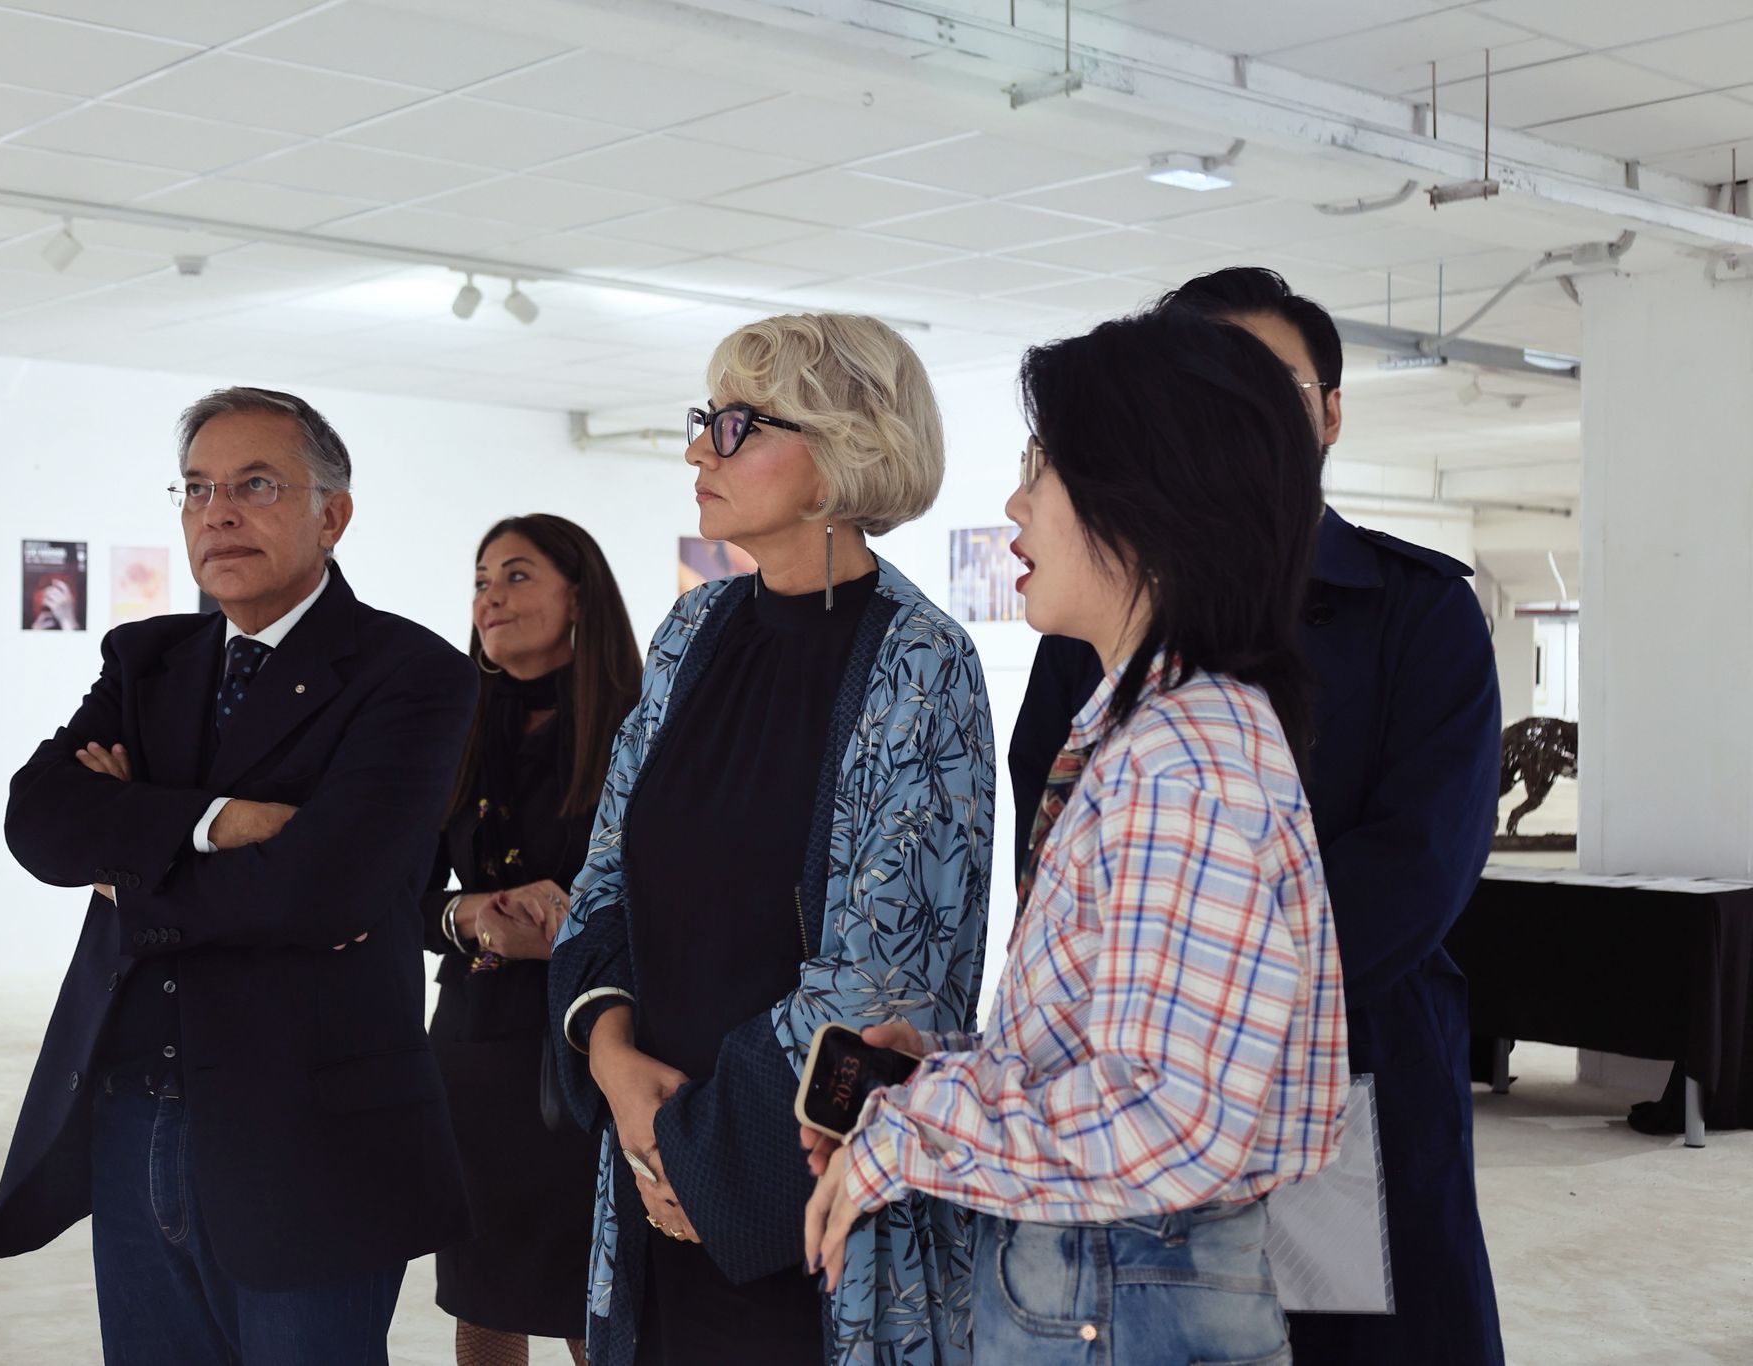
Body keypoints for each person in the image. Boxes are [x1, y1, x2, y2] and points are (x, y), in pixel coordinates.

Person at [804, 307, 1350, 1365]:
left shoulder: (1179, 761)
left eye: (1041, 469)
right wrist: (947, 1071)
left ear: (1144, 500)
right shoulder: (1161, 732)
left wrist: (911, 1132)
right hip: (1116, 1280)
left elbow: (1164, 1119)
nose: (1015, 505)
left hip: (1120, 1287)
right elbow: (1119, 1055)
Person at [1007, 268, 1506, 1366]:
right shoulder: (1093, 625)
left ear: (1328, 414)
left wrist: (1211, 1015)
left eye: (1264, 386)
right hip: (1137, 1077)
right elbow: (1049, 834)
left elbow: (1417, 868)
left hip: (1348, 1065)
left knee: (1351, 1341)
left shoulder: (1414, 610)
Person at [0, 387, 477, 1366]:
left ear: (331, 515)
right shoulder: (147, 659)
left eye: (256, 485)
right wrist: (218, 822)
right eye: (198, 488)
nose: (218, 512)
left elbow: (324, 893)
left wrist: (129, 862)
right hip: (133, 1112)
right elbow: (37, 822)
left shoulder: (411, 673)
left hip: (307, 1133)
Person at [548, 314, 995, 1366]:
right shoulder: (689, 633)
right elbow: (603, 880)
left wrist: (689, 1153)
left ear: (843, 449)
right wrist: (613, 1063)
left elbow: (885, 984)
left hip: (798, 1203)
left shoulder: (921, 662)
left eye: (736, 425)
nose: (697, 451)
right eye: (704, 419)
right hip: (652, 1178)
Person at [423, 515, 642, 1366]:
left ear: (578, 596)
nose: (491, 598)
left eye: (516, 576)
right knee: (483, 1296)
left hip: (597, 1048)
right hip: (476, 1052)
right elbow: (398, 901)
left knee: (594, 1302)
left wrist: (571, 936)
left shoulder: (638, 726)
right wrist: (468, 915)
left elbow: (683, 898)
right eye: (482, 581)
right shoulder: (451, 726)